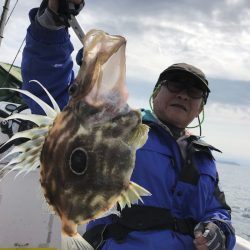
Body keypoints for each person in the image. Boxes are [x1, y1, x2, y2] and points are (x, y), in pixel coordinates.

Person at [21, 0, 236, 249]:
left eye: (194, 92)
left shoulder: (204, 158)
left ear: (200, 109)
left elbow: (217, 209)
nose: (183, 95)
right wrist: (51, 24)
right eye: (175, 84)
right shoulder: (117, 126)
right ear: (156, 93)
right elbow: (52, 88)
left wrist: (220, 230)